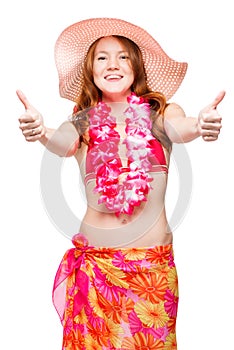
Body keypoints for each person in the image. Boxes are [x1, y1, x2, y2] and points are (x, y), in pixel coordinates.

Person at [17, 17, 225, 350]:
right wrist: (40, 131)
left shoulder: (161, 113)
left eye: (123, 56)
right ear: (91, 69)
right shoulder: (81, 121)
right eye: (102, 57)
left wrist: (201, 125)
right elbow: (61, 142)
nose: (113, 64)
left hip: (151, 271)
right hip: (96, 269)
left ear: (136, 66)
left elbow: (180, 128)